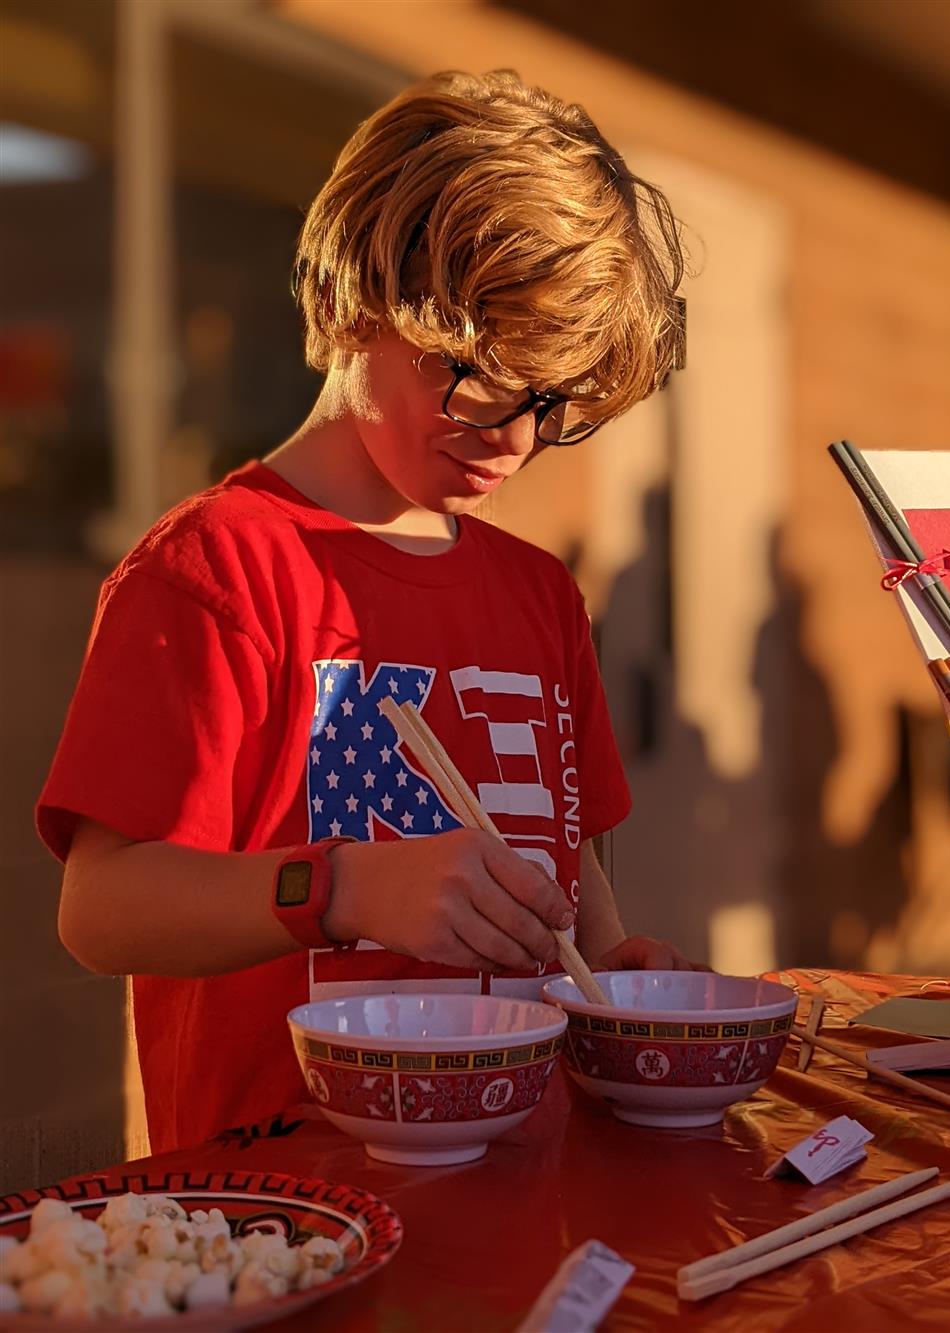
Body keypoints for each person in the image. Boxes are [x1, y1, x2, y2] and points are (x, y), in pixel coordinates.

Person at [38, 69, 690, 1154]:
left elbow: (570, 875)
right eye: (476, 375)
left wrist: (611, 976)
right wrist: (339, 886)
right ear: (361, 296)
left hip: (526, 1178)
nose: (514, 438)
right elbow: (100, 909)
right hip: (287, 1203)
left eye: (552, 403)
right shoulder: (213, 570)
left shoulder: (538, 595)